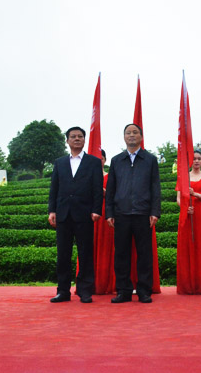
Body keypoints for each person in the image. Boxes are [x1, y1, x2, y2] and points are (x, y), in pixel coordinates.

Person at [106, 124, 161, 304]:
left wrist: (155, 211)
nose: (131, 135)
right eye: (128, 133)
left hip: (143, 214)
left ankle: (144, 291)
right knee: (121, 255)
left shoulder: (150, 160)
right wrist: (109, 212)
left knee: (144, 255)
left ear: (141, 137)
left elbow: (155, 187)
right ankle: (123, 291)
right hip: (121, 214)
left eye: (135, 132)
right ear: (124, 137)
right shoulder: (116, 161)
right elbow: (111, 188)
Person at [48, 126, 103, 303]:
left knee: (85, 254)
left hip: (85, 214)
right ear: (67, 141)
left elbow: (97, 189)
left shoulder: (93, 162)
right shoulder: (60, 163)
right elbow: (54, 189)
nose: (77, 139)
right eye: (73, 136)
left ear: (84, 140)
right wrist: (52, 210)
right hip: (63, 214)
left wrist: (96, 209)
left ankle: (85, 290)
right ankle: (63, 291)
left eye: (80, 136)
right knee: (63, 255)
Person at [176, 150, 201, 294]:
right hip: (188, 215)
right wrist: (185, 207)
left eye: (199, 159)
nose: (196, 161)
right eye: (194, 159)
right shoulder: (183, 177)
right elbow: (178, 198)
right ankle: (188, 284)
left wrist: (195, 194)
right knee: (188, 247)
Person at [93, 149, 116, 295]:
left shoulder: (110, 176)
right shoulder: (87, 176)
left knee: (108, 247)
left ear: (105, 160)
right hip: (91, 215)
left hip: (106, 214)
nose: (99, 161)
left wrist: (103, 192)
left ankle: (108, 283)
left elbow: (115, 194)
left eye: (101, 158)